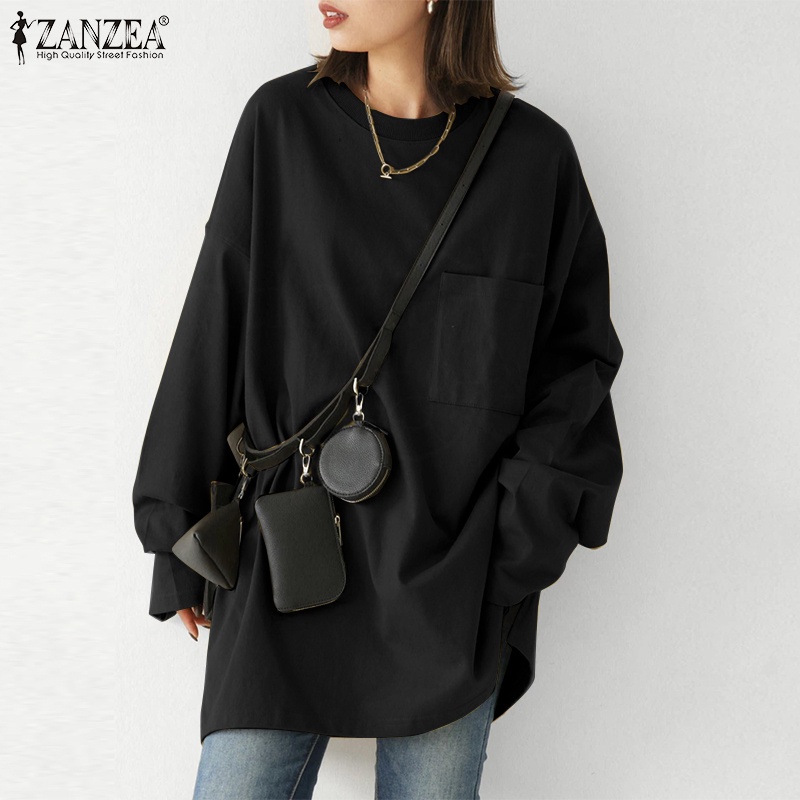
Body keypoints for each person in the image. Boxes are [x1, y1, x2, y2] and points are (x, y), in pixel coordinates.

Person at [131, 1, 624, 797]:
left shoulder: (534, 162)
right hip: (283, 555)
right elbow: (215, 320)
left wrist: (509, 551)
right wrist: (174, 529)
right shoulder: (280, 125)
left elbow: (576, 371)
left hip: (448, 586)